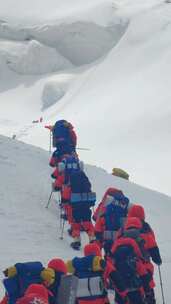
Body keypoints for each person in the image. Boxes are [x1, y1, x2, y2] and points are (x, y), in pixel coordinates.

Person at [111, 217, 152, 304]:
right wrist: (148, 292)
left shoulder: (115, 259)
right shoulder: (135, 260)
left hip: (120, 292)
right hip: (135, 290)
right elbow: (144, 276)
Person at [127, 204, 162, 304]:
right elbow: (153, 246)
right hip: (145, 265)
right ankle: (150, 298)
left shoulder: (124, 227)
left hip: (129, 265)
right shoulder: (146, 228)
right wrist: (157, 260)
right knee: (148, 283)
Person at [94, 192, 129, 256]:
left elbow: (98, 227)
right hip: (119, 241)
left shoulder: (107, 210)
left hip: (106, 238)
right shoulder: (124, 215)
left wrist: (98, 235)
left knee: (107, 255)